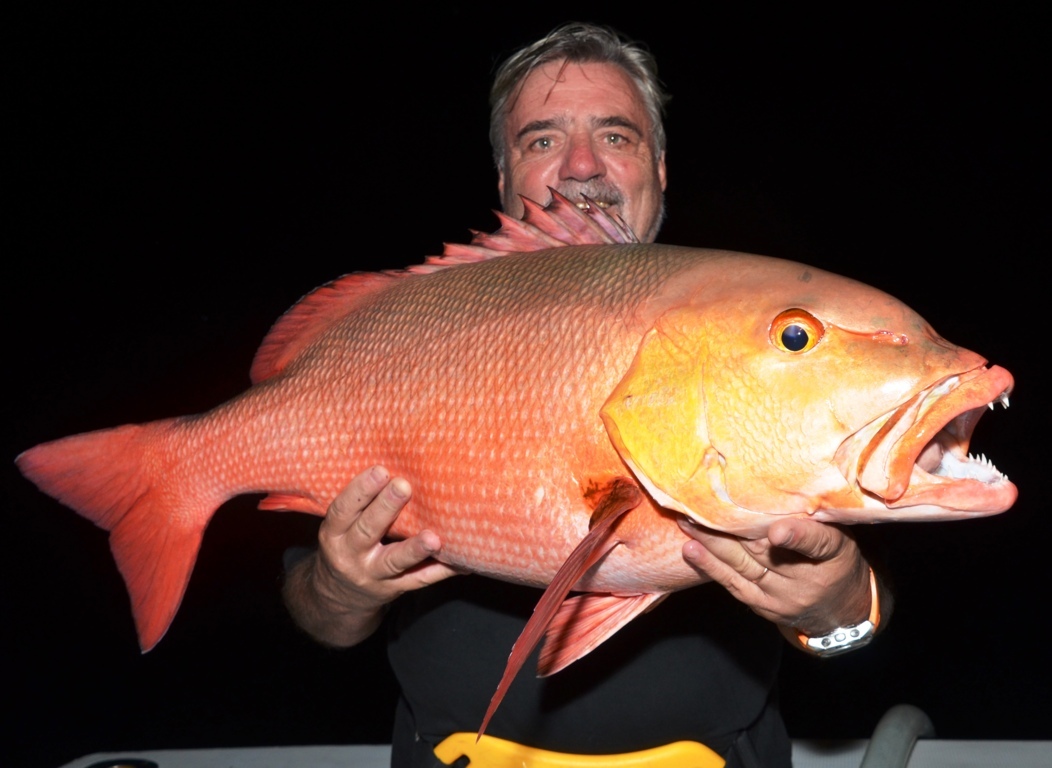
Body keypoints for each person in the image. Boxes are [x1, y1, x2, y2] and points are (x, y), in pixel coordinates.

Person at [283, 23, 885, 768]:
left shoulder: (746, 335)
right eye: (541, 142)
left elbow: (854, 643)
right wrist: (341, 589)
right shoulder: (408, 338)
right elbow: (318, 621)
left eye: (615, 136)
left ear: (660, 168)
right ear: (503, 176)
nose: (579, 167)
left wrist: (839, 610)